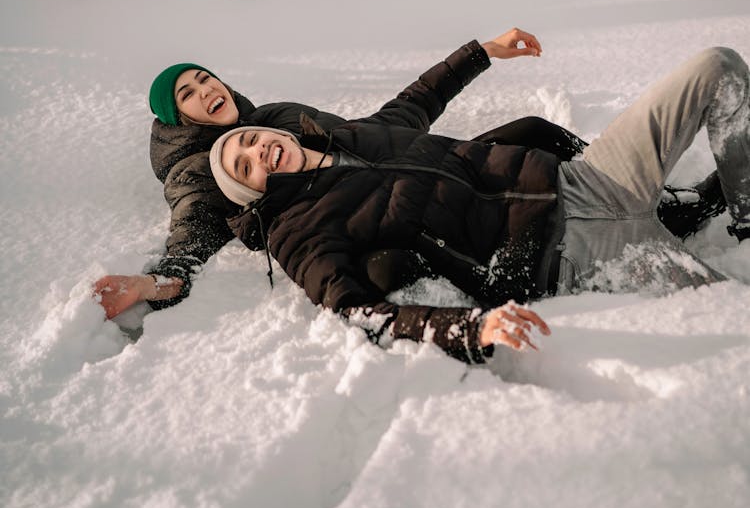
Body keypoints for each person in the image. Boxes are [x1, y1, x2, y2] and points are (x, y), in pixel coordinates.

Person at [93, 33, 726, 320]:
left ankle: (671, 208)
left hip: (541, 188)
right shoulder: (205, 179)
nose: (207, 90)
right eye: (189, 93)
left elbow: (396, 120)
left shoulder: (276, 121)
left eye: (205, 77)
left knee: (535, 130)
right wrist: (160, 280)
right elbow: (192, 235)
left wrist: (478, 52)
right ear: (178, 118)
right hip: (534, 246)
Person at [201, 43, 749, 366]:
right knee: (736, 313)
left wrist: (484, 50)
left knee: (716, 66)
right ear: (254, 193)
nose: (259, 154)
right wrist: (470, 329)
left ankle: (745, 215)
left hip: (587, 181)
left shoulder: (353, 135)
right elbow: (355, 310)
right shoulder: (298, 231)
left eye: (248, 142)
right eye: (246, 169)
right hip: (578, 257)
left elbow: (419, 98)